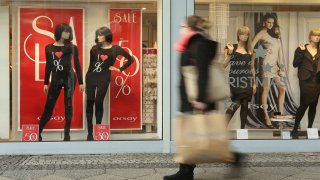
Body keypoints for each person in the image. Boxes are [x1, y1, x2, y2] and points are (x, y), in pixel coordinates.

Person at [163, 15, 242, 180]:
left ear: (189, 27)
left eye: (182, 26)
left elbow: (203, 73)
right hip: (192, 98)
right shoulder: (192, 42)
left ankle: (233, 157)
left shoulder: (200, 43)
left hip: (198, 99)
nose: (180, 29)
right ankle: (186, 171)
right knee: (193, 134)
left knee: (203, 135)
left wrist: (200, 99)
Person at [85, 27, 133, 141]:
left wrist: (119, 69)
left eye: (100, 35)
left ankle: (98, 130)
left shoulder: (115, 49)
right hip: (91, 78)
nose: (98, 37)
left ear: (107, 36)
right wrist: (86, 81)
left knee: (99, 103)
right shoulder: (94, 49)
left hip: (104, 78)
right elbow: (90, 65)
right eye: (97, 35)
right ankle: (90, 133)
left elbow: (130, 59)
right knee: (89, 103)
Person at [39, 23, 84, 141]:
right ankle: (38, 132)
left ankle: (67, 134)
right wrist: (45, 82)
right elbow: (48, 65)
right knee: (49, 105)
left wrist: (81, 82)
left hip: (69, 78)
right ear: (59, 32)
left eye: (69, 31)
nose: (67, 33)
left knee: (68, 105)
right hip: (55, 78)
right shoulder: (49, 48)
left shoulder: (72, 47)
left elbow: (77, 65)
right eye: (65, 31)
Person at [251, 13, 286, 128]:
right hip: (265, 66)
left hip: (275, 68)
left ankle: (278, 116)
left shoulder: (276, 35)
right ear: (264, 23)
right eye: (268, 22)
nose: (270, 24)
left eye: (272, 22)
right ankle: (266, 117)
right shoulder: (261, 33)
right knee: (265, 90)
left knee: (282, 89)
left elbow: (280, 53)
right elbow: (251, 47)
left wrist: (281, 68)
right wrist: (261, 52)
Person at [224, 26, 256, 129]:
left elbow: (252, 68)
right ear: (238, 35)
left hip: (247, 80)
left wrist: (254, 83)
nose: (245, 36)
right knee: (236, 103)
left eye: (247, 34)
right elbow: (224, 65)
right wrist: (230, 53)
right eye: (242, 34)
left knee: (245, 104)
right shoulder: (230, 47)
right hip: (235, 80)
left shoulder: (250, 51)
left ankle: (242, 130)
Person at [291, 28, 320, 139]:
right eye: (315, 35)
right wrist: (302, 52)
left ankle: (310, 130)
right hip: (305, 81)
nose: (317, 37)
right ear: (310, 37)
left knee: (313, 105)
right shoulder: (301, 48)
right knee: (304, 105)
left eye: (319, 36)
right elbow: (295, 64)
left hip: (317, 81)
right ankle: (295, 129)